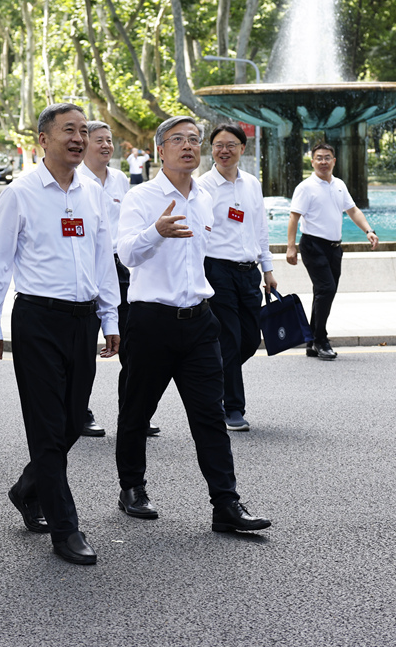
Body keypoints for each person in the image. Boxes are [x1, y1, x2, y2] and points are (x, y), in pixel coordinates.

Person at [0, 103, 120, 566]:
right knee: (45, 428)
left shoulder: (93, 192)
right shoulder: (20, 193)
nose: (78, 139)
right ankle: (66, 528)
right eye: (68, 131)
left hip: (84, 320)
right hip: (37, 320)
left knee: (72, 421)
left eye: (83, 131)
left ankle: (26, 488)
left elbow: (103, 259)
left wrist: (110, 316)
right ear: (43, 139)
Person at [115, 115, 272, 534]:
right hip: (151, 322)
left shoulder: (203, 198)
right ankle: (132, 487)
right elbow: (126, 254)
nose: (188, 146)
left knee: (209, 416)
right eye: (178, 140)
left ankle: (226, 504)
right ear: (160, 150)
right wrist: (156, 232)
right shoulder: (142, 198)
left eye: (193, 140)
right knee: (136, 411)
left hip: (200, 322)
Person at [197, 124, 277, 432]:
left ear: (242, 148)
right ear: (212, 150)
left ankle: (214, 378)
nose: (224, 150)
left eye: (231, 145)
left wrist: (267, 269)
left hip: (248, 272)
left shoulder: (252, 184)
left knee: (248, 338)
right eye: (218, 145)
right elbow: (198, 232)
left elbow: (259, 228)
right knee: (229, 339)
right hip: (217, 270)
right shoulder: (203, 186)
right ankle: (232, 408)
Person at [286, 142, 379, 360]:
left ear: (334, 161)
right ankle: (321, 339)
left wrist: (369, 230)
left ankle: (311, 340)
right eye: (319, 158)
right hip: (313, 245)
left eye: (327, 158)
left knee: (324, 293)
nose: (323, 162)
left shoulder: (339, 185)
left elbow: (353, 210)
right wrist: (291, 247)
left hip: (335, 247)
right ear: (312, 161)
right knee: (326, 290)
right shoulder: (305, 187)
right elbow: (293, 217)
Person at [75, 120, 130, 439]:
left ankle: (133, 413)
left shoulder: (120, 179)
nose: (107, 145)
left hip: (120, 267)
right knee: (83, 348)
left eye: (110, 140)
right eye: (100, 140)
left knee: (132, 344)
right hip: (88, 267)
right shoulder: (74, 180)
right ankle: (80, 412)